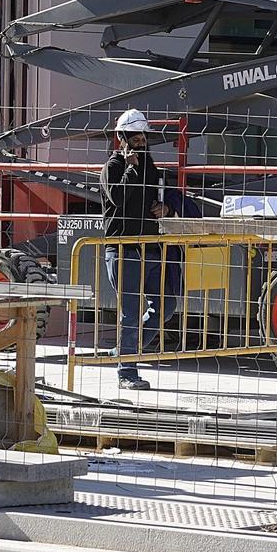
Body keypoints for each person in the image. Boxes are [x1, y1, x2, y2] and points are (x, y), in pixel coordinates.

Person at [102, 109, 178, 392]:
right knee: (131, 312)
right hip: (124, 249)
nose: (141, 141)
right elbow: (118, 197)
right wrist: (131, 168)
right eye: (135, 137)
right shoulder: (113, 167)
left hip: (150, 248)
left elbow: (162, 194)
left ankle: (125, 350)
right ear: (122, 138)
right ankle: (127, 371)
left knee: (165, 307)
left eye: (144, 136)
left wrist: (166, 208)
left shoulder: (150, 167)